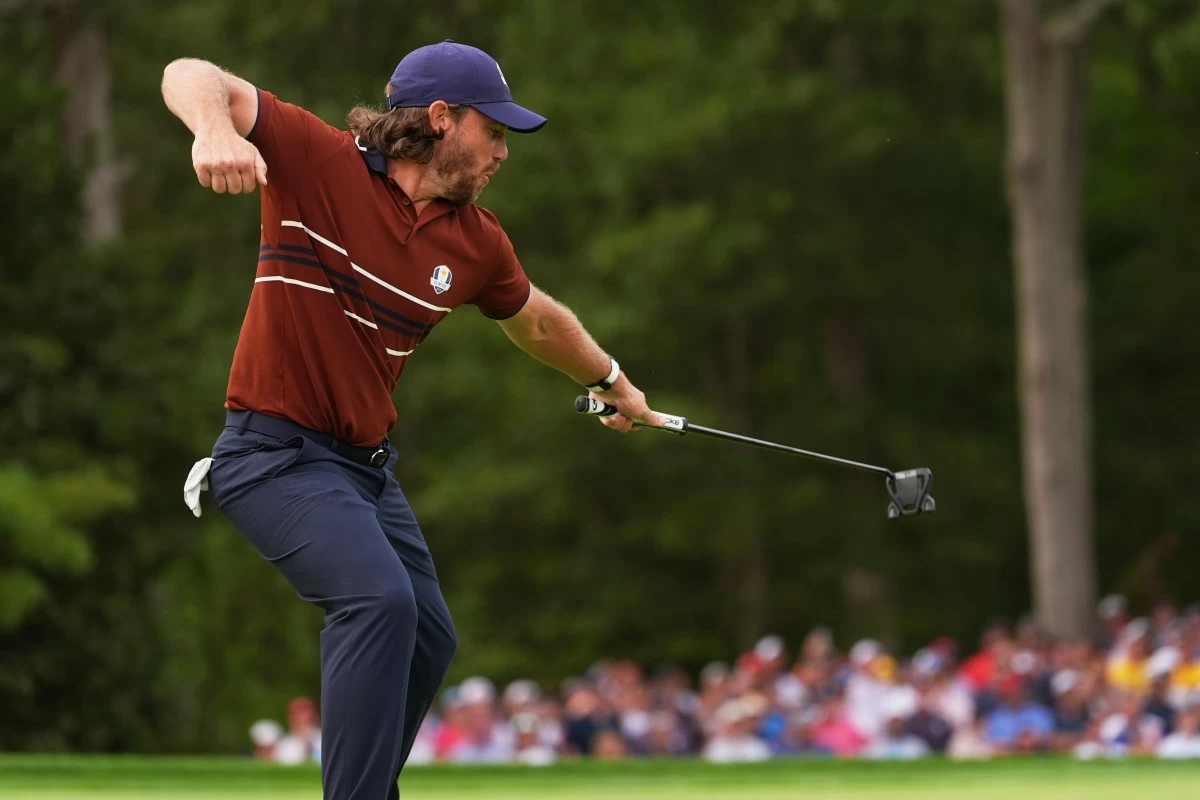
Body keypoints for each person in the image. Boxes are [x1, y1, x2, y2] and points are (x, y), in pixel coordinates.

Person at [163, 39, 664, 800]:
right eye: (492, 131)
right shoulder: (316, 160)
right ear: (440, 119)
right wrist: (215, 131)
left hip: (363, 471)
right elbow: (189, 74)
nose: (502, 150)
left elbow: (534, 323)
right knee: (378, 602)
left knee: (429, 637)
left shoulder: (476, 242)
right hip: (271, 457)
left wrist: (614, 380)